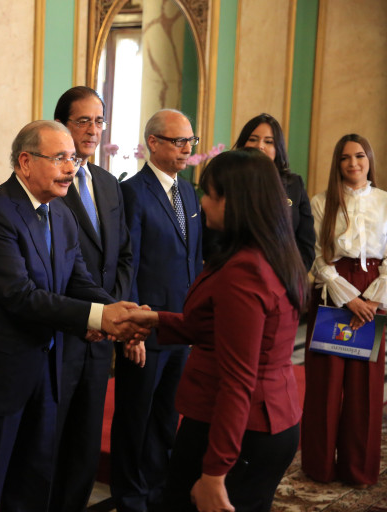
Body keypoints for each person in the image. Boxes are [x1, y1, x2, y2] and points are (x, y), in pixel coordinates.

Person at [0, 120, 147, 512]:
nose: (71, 168)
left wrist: (117, 312)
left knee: (32, 487)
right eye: (59, 158)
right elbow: (21, 297)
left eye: (73, 159)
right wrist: (96, 318)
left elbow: (78, 281)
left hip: (48, 375)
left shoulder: (61, 214)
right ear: (26, 162)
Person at [126, 148, 307, 512]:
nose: (202, 203)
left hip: (238, 429)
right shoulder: (270, 252)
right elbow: (217, 327)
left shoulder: (245, 271)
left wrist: (215, 471)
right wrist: (156, 320)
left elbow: (237, 379)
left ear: (235, 202)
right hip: (264, 419)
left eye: (209, 194)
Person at [112, 108, 203, 512]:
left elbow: (194, 258)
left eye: (190, 141)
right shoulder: (133, 192)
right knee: (136, 418)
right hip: (145, 328)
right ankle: (131, 498)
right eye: (178, 141)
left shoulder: (189, 192)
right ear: (153, 142)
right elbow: (128, 264)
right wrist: (132, 328)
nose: (187, 149)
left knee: (167, 415)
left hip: (179, 326)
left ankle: (158, 492)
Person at [49, 86, 134, 512]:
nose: (93, 130)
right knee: (51, 439)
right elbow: (52, 268)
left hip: (101, 338)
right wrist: (93, 315)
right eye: (82, 120)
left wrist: (111, 314)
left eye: (99, 120)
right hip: (64, 334)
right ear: (62, 125)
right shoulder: (49, 182)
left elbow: (124, 255)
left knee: (85, 441)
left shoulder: (108, 183)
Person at [302, 134, 387, 487]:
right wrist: (348, 297)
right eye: (345, 157)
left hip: (374, 288)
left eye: (360, 156)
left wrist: (374, 299)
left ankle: (359, 469)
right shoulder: (321, 202)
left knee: (365, 387)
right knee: (326, 383)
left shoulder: (384, 201)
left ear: (369, 160)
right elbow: (316, 254)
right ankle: (319, 466)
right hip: (333, 289)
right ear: (337, 163)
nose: (353, 163)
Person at [232, 113, 314, 269]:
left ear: (278, 149)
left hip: (283, 275)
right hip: (237, 273)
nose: (260, 146)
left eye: (268, 142)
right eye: (253, 139)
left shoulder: (294, 185)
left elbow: (306, 242)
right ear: (243, 144)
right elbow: (212, 237)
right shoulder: (228, 181)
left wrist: (292, 276)